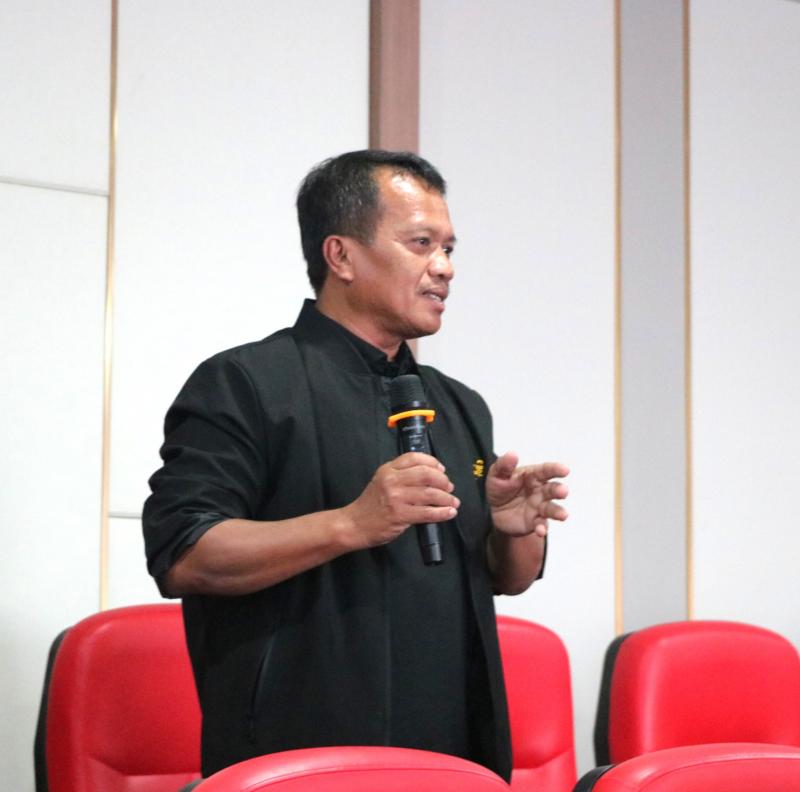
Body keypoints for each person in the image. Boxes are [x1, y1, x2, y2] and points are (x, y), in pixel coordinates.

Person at [143, 150, 569, 784]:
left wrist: (515, 532)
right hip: (298, 752)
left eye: (449, 248)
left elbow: (506, 579)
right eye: (421, 244)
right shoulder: (244, 383)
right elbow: (184, 554)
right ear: (340, 256)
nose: (444, 268)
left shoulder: (459, 403)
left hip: (453, 750)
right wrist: (352, 523)